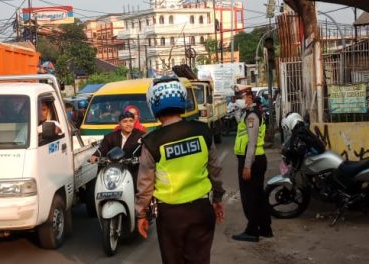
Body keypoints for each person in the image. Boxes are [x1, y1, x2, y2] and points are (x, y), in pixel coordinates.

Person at [135, 77, 225, 264]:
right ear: (182, 99)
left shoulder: (152, 142)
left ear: (153, 105)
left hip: (171, 216)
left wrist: (141, 214)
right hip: (201, 210)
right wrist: (217, 199)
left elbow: (145, 184)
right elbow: (215, 169)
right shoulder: (202, 131)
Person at [232, 90, 272, 242]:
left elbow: (252, 142)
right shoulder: (248, 113)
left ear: (249, 98)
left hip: (252, 161)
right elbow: (242, 131)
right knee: (258, 196)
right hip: (256, 159)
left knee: (250, 198)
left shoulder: (252, 116)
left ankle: (252, 231)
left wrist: (247, 166)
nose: (239, 100)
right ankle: (265, 228)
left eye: (241, 97)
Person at [89, 111, 145, 183]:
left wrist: (141, 158)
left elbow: (148, 150)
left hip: (134, 170)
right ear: (119, 123)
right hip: (113, 171)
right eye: (125, 121)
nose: (128, 124)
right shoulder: (110, 137)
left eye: (131, 121)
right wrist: (95, 156)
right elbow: (102, 148)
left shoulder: (141, 136)